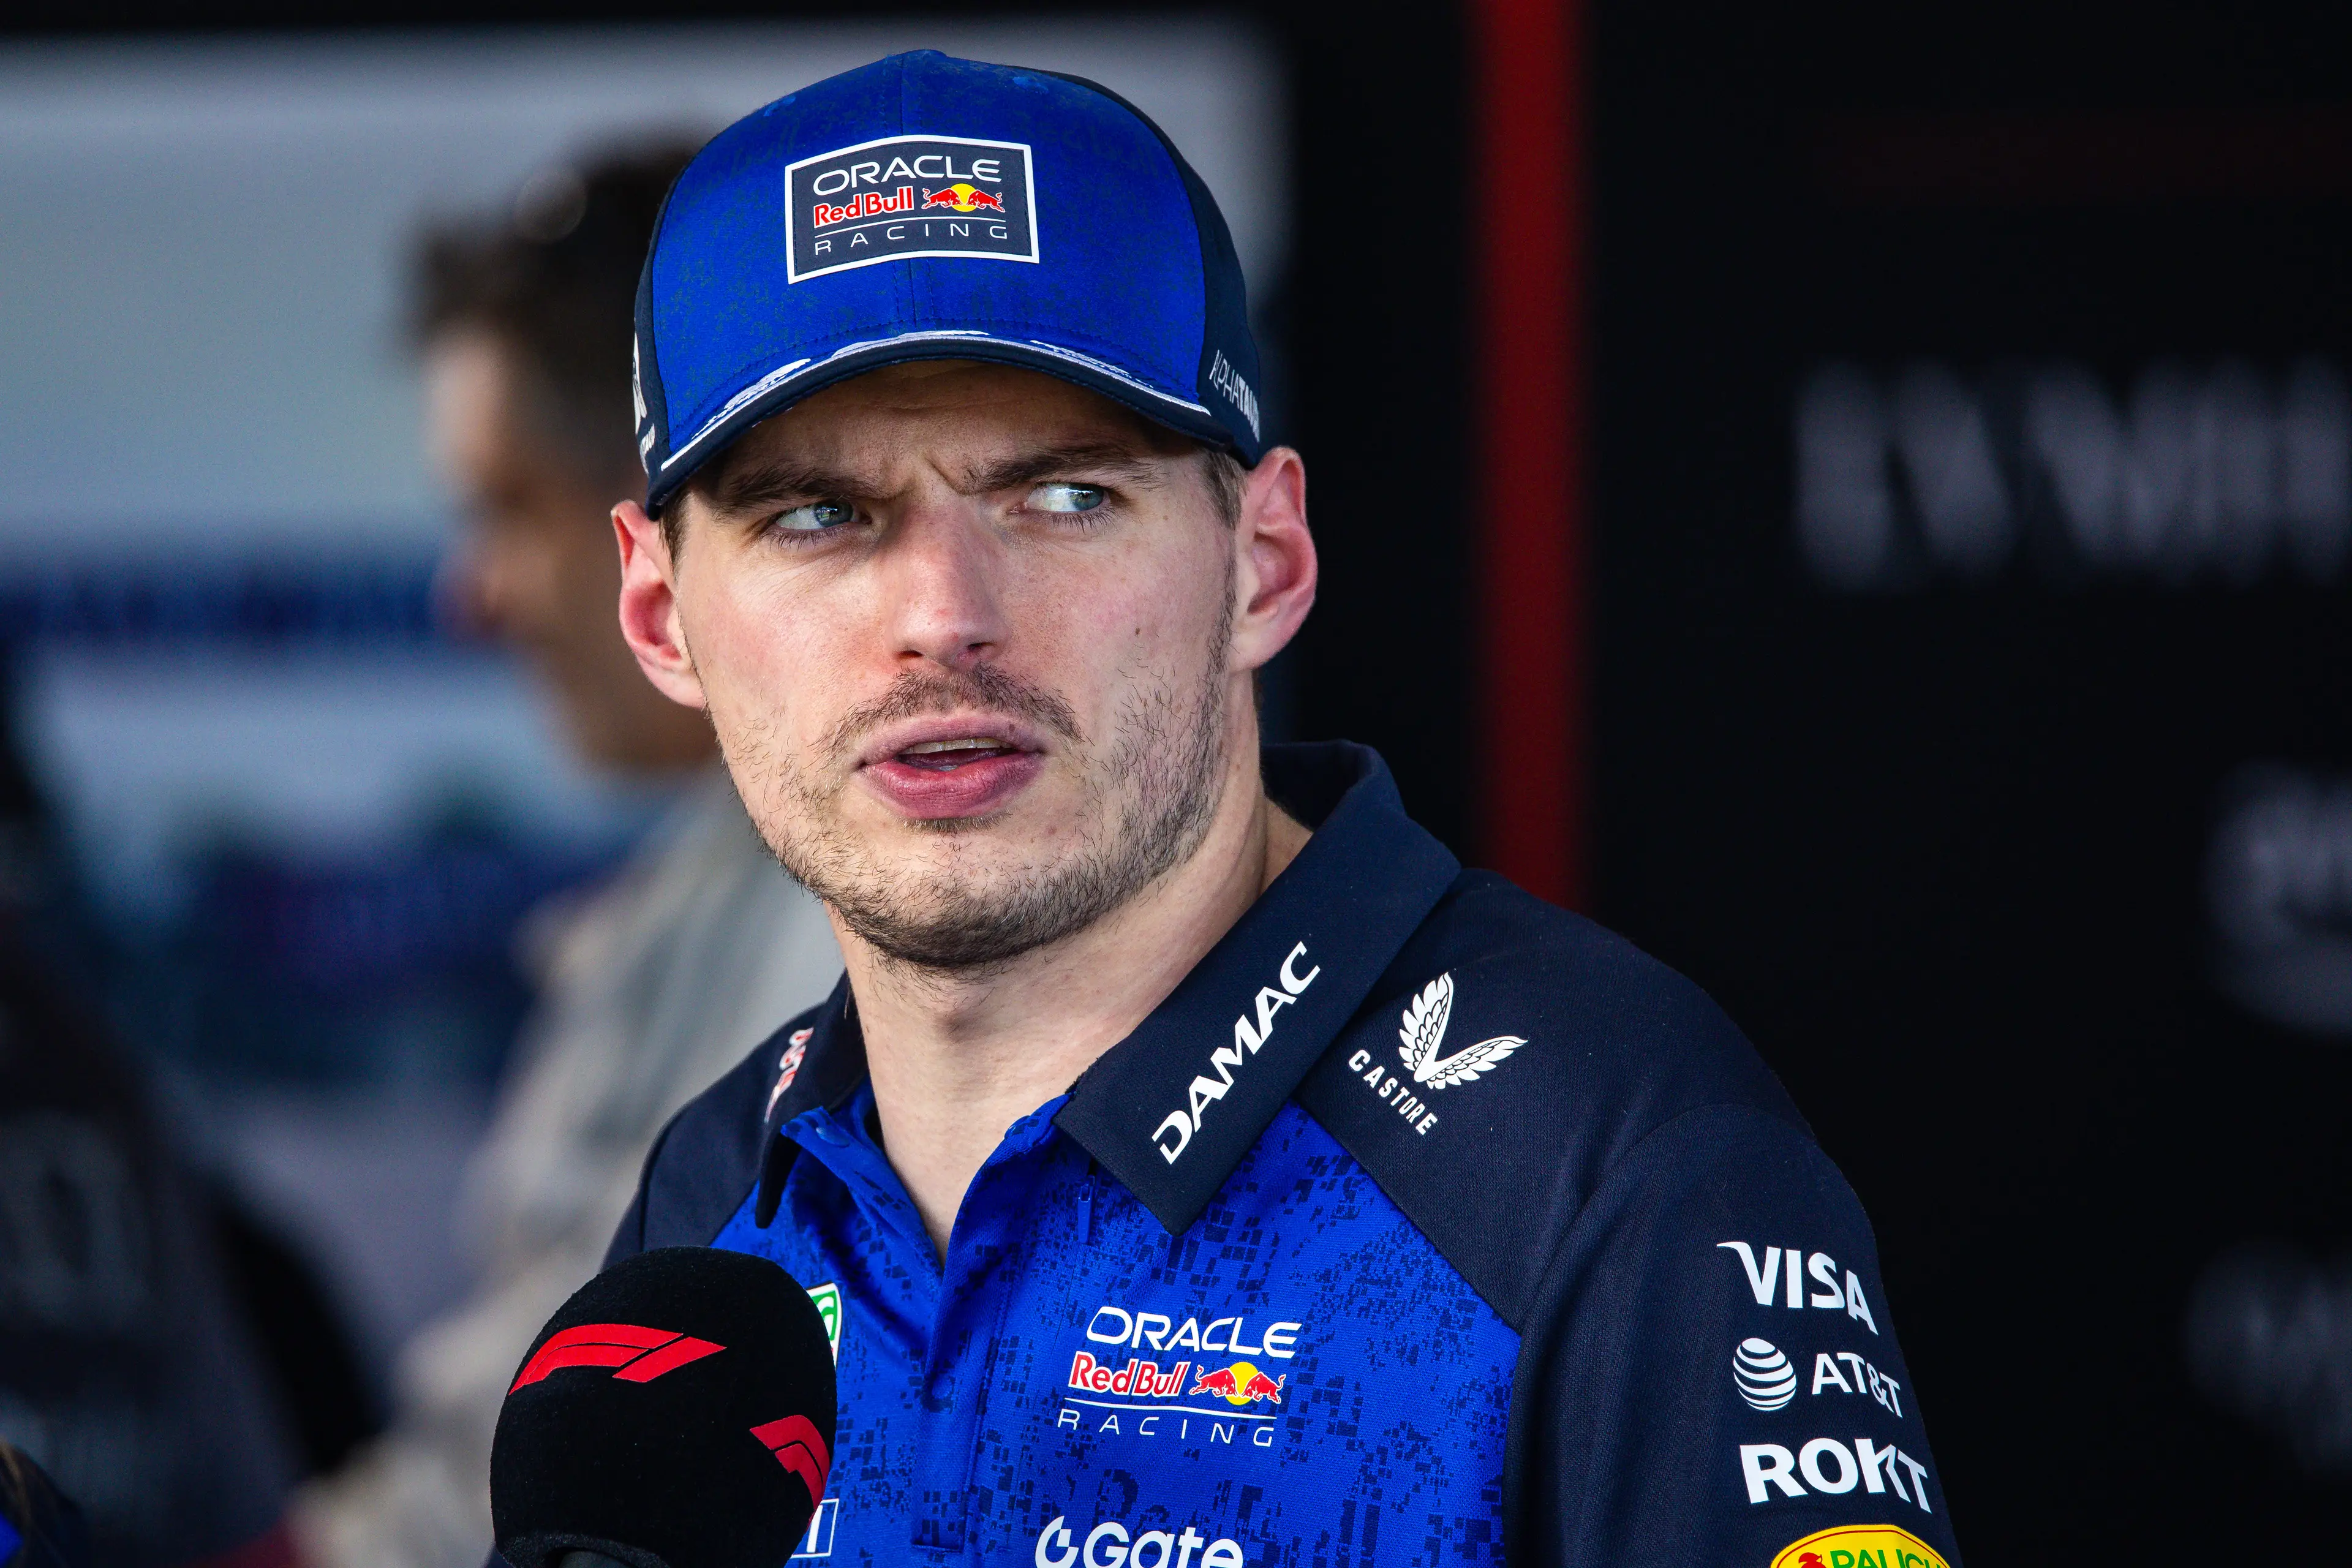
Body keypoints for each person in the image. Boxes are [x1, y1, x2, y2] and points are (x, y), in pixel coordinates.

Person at [601, 51, 1964, 1566]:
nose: (944, 616)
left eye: (1065, 497)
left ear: (1265, 564)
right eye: (818, 516)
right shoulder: (721, 1187)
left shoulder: (1597, 1157)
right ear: (662, 616)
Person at [287, 145, 841, 1568]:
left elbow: (598, 1416)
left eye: (507, 502)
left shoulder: (851, 906)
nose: (468, 592)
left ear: (675, 515)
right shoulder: (724, 884)